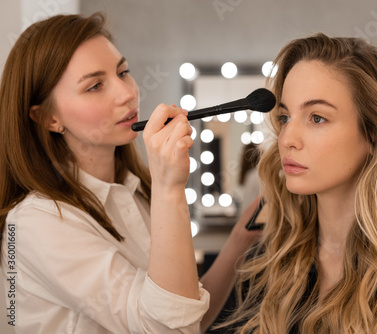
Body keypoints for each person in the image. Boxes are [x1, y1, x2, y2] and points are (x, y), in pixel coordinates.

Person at [0, 13, 259, 333]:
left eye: (123, 72)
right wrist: (169, 187)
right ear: (48, 118)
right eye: (95, 86)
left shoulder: (138, 193)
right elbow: (166, 328)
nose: (127, 93)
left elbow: (188, 318)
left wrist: (240, 239)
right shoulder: (35, 223)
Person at [211, 34, 377, 333]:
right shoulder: (268, 268)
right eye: (285, 117)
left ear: (374, 134)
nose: (287, 139)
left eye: (317, 118)